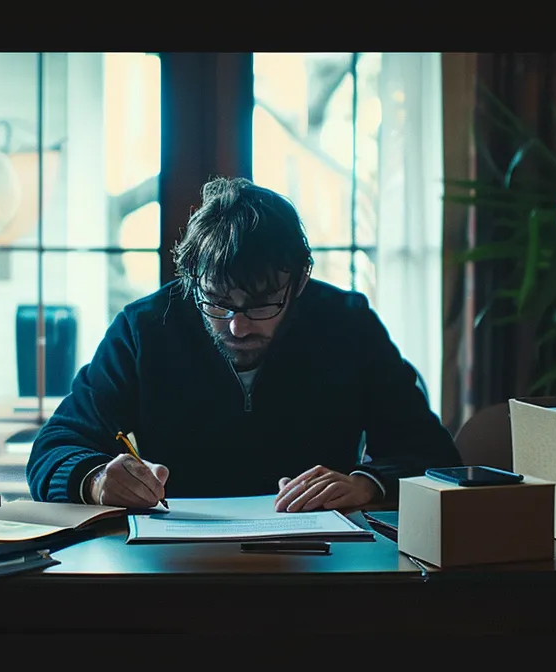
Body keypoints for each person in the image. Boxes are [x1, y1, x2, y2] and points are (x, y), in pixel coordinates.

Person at [27, 177, 461, 512]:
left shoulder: (347, 323)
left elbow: (434, 454)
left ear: (300, 279)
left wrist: (367, 483)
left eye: (260, 304)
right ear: (192, 279)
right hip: (169, 567)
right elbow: (54, 449)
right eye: (217, 303)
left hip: (323, 565)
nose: (237, 327)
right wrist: (97, 479)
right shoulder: (144, 328)